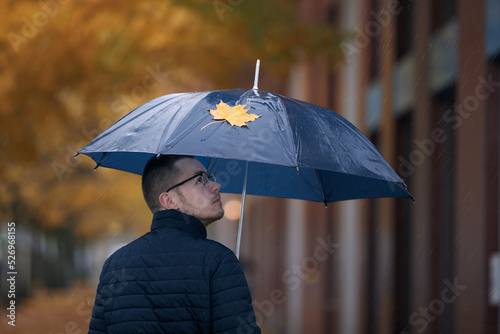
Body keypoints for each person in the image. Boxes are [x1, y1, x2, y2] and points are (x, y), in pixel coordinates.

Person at [88, 155, 260, 333]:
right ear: (169, 200)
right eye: (200, 180)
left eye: (210, 177)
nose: (216, 186)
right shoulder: (218, 260)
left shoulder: (115, 265)